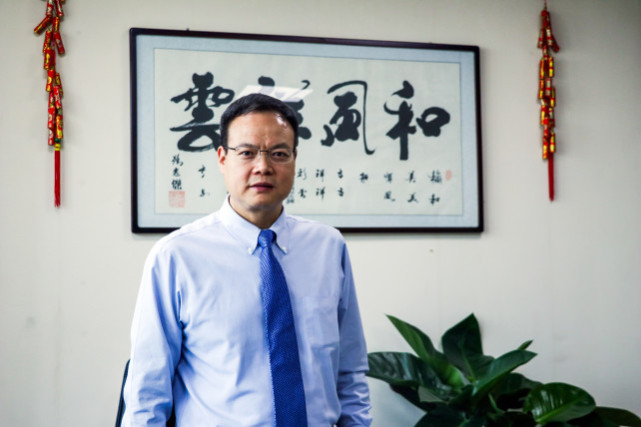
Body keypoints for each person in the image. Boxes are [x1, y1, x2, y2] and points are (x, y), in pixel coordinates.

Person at [122, 93, 372, 426]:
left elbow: (350, 370)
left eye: (279, 153)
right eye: (247, 153)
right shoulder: (176, 256)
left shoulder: (328, 247)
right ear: (222, 158)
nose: (263, 167)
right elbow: (147, 388)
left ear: (294, 159)